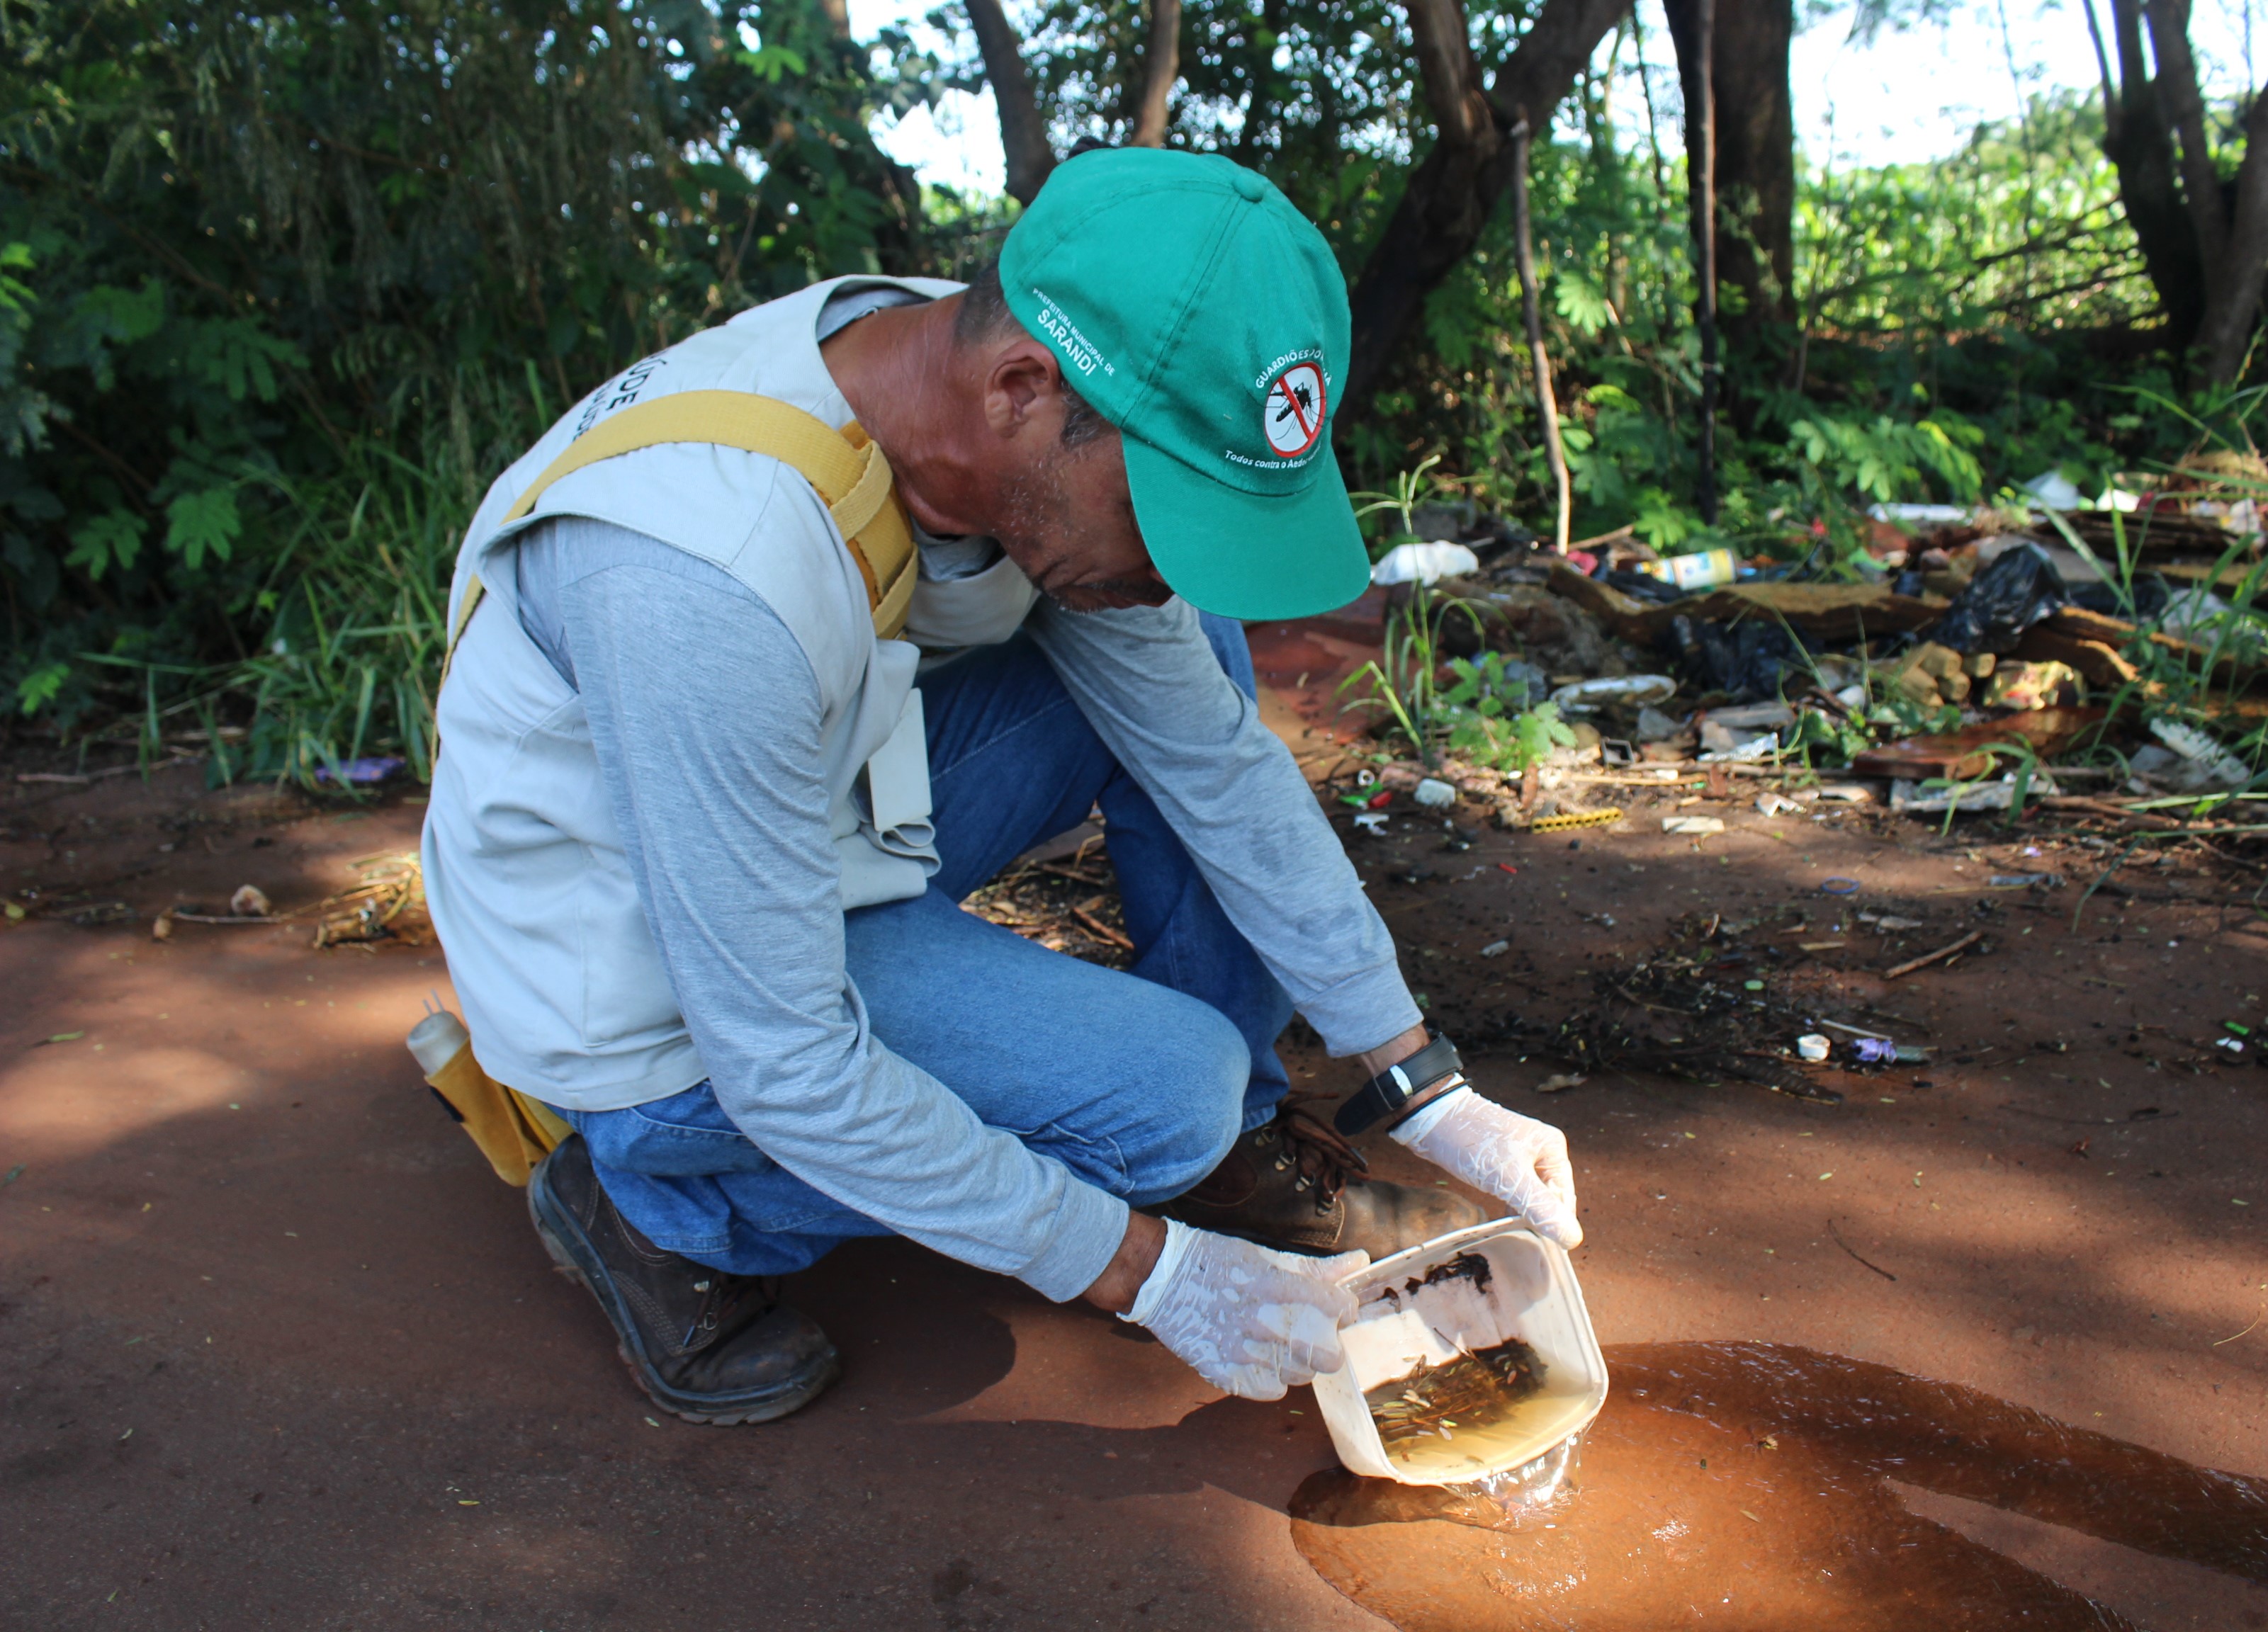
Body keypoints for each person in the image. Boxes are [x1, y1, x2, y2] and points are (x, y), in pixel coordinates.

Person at [421, 147, 1582, 1426]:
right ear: (1023, 392)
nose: (1170, 563)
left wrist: (1424, 1082)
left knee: (1179, 647)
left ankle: (1216, 1151)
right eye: (1169, 512)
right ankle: (654, 1202)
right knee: (1166, 1090)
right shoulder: (700, 575)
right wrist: (1143, 1273)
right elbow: (790, 1065)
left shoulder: (984, 380)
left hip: (794, 815)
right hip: (645, 961)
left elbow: (1212, 762)